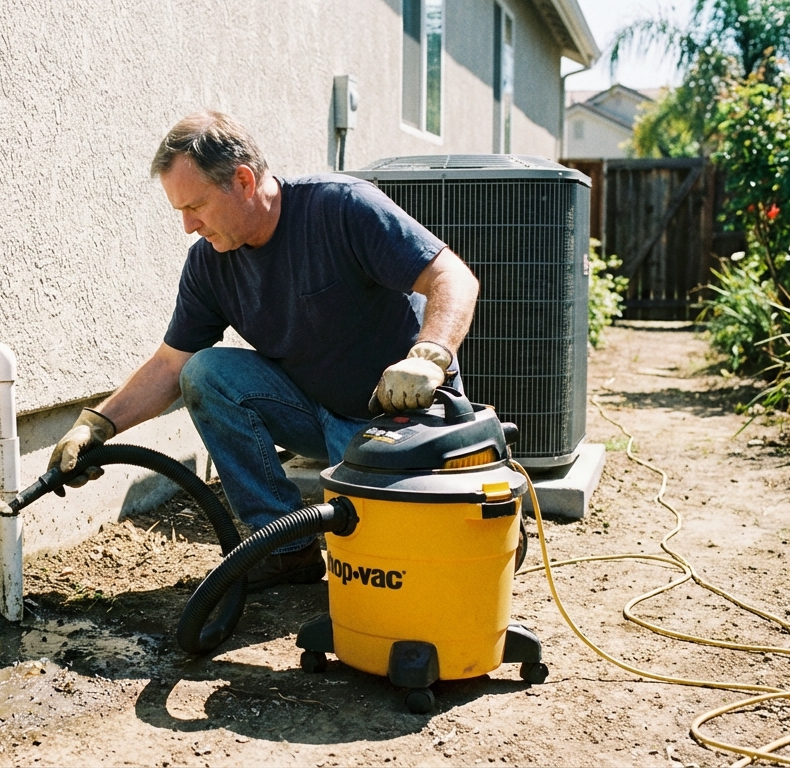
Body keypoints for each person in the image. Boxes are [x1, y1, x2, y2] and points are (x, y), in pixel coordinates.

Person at [49, 111, 478, 590]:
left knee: (387, 575)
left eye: (196, 207)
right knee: (206, 371)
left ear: (243, 180)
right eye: (180, 213)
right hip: (316, 411)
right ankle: (286, 547)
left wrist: (430, 355)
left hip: (395, 422)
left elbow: (453, 276)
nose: (189, 227)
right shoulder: (210, 265)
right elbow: (172, 363)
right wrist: (97, 424)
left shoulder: (340, 208)